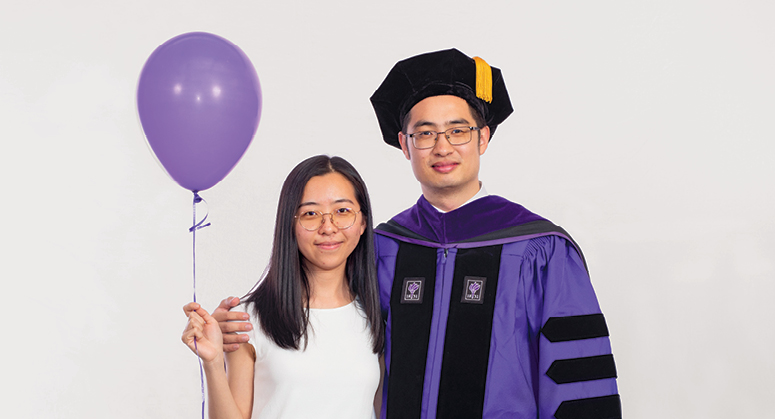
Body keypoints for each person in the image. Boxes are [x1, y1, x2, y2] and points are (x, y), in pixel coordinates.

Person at [217, 49, 621, 418]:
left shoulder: (540, 250)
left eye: (457, 131)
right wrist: (236, 328)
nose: (442, 147)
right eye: (425, 133)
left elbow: (578, 380)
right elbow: (317, 329)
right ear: (405, 145)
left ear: (483, 137)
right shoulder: (384, 248)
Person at [181, 155, 384, 419]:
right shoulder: (249, 318)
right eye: (311, 214)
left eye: (342, 211)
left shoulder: (378, 313)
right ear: (291, 223)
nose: (328, 227)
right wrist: (212, 363)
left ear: (363, 223)